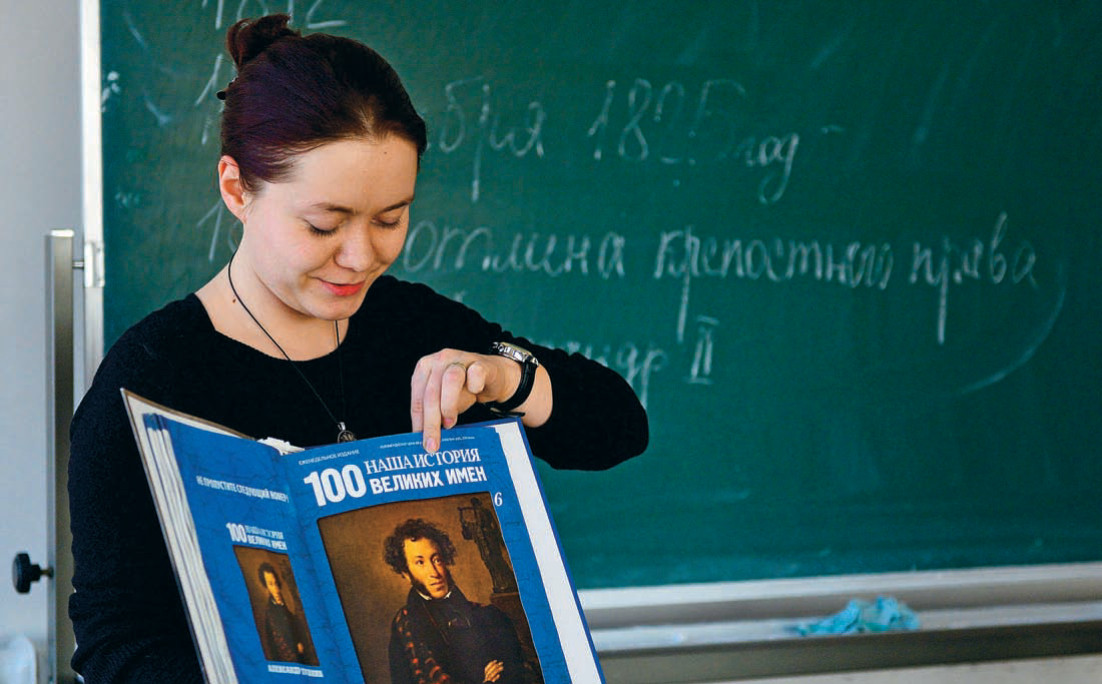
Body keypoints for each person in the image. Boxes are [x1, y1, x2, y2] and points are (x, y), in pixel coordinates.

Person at [67, 13, 647, 683]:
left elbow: (619, 428)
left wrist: (504, 378)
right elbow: (114, 645)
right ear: (236, 189)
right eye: (324, 225)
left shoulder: (411, 324)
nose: (361, 256)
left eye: (390, 219)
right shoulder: (151, 380)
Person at [384, 519, 541, 684]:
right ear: (406, 573)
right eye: (420, 563)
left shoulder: (489, 615)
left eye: (437, 560)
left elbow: (516, 670)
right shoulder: (406, 622)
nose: (434, 572)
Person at [256, 562, 317, 665]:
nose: (276, 589)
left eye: (276, 583)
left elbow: (293, 622)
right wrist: (296, 645)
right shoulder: (270, 613)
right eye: (271, 584)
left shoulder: (284, 603)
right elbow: (277, 642)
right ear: (266, 587)